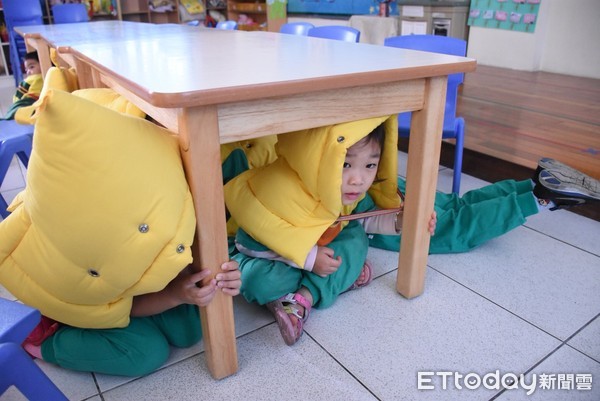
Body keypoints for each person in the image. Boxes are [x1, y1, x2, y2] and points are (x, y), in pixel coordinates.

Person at [224, 116, 436, 346]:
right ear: (317, 161)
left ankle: (302, 298)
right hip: (268, 257)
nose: (358, 180)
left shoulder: (351, 193)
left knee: (355, 240)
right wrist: (309, 259)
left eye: (370, 165)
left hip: (319, 251)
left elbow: (365, 220)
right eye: (345, 165)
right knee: (255, 279)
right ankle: (332, 281)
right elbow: (248, 244)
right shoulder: (277, 190)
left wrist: (402, 221)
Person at [21, 261, 242, 377]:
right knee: (147, 353)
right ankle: (46, 346)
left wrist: (223, 274)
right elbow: (118, 307)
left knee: (189, 328)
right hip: (87, 303)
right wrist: (175, 294)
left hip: (139, 285)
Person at [369, 157, 600, 254]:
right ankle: (533, 184)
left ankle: (542, 198)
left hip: (371, 205)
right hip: (382, 181)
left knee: (454, 225)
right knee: (458, 204)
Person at [2, 51, 44, 120]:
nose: (28, 72)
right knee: (14, 112)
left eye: (31, 67)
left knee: (14, 113)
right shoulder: (30, 79)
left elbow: (20, 96)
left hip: (31, 102)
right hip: (23, 102)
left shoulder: (38, 78)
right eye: (26, 69)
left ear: (42, 63)